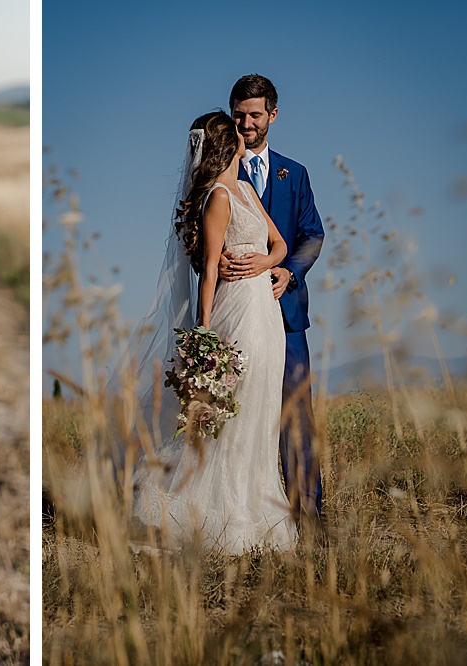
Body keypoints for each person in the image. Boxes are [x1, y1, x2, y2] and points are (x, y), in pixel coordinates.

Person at [131, 112, 297, 552]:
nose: (246, 133)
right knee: (230, 415)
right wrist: (204, 332)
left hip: (266, 313)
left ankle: (254, 509)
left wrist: (265, 263)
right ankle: (212, 514)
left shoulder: (245, 189)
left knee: (261, 409)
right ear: (225, 143)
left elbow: (280, 243)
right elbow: (208, 269)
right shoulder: (218, 197)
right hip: (236, 312)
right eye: (236, 130)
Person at [226, 74, 325, 519]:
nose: (246, 123)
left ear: (273, 115)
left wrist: (290, 272)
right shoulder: (218, 172)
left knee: (296, 415)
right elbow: (193, 233)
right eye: (239, 115)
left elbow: (312, 235)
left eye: (254, 115)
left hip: (287, 318)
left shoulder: (295, 173)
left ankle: (308, 513)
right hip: (236, 314)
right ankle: (240, 512)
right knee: (237, 413)